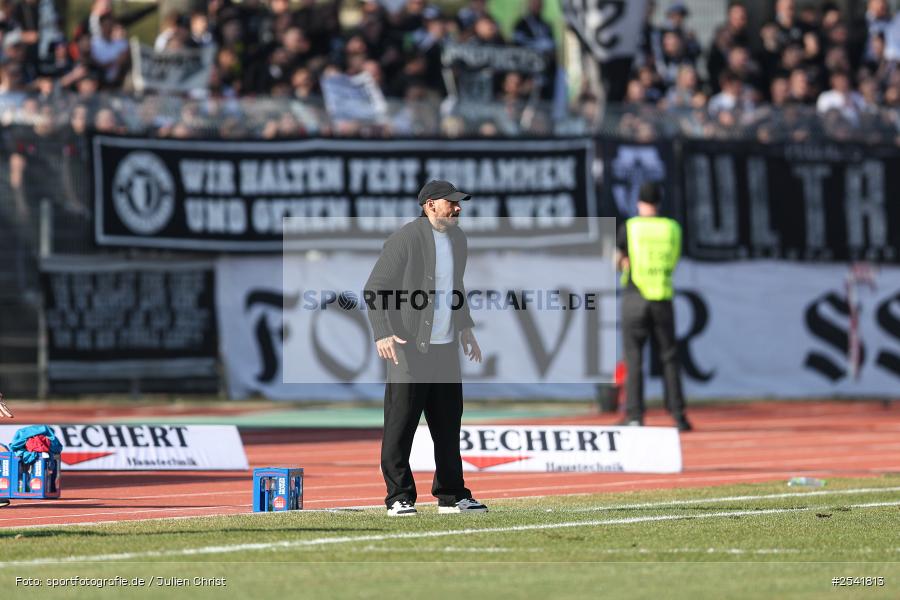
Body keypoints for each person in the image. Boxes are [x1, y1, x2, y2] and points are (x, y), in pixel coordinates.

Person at [365, 180, 487, 517]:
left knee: (448, 425)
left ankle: (452, 495)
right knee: (401, 424)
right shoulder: (405, 238)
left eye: (459, 203)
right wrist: (382, 333)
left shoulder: (459, 240)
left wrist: (465, 327)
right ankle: (399, 496)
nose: (458, 208)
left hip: (445, 350)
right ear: (430, 205)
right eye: (452, 203)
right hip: (409, 349)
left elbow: (456, 287)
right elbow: (374, 288)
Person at [616, 182, 692, 432]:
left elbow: (618, 260)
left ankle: (635, 415)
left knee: (634, 357)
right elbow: (674, 259)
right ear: (659, 202)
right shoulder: (672, 228)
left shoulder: (631, 227)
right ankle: (679, 415)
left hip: (635, 296)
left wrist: (623, 263)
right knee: (669, 357)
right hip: (662, 296)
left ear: (639, 202)